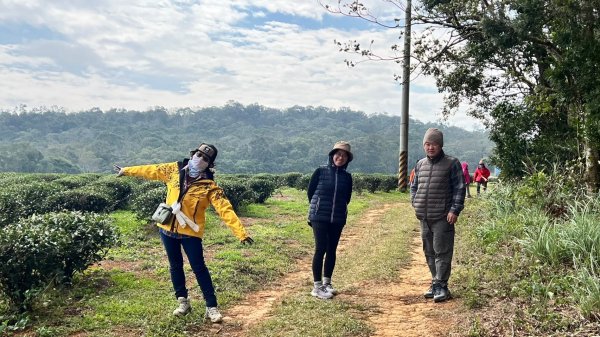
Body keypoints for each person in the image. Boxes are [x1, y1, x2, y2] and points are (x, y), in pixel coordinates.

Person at [114, 143, 254, 323]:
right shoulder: (173, 170)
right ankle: (183, 302)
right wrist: (126, 170)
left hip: (190, 234)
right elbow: (151, 170)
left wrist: (240, 233)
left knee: (199, 268)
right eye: (199, 154)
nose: (200, 159)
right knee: (175, 266)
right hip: (167, 230)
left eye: (205, 158)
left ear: (209, 164)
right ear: (193, 154)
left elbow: (225, 209)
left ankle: (211, 307)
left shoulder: (209, 186)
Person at [410, 128, 465, 303]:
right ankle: (435, 282)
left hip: (443, 216)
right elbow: (414, 186)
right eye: (427, 144)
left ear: (440, 145)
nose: (430, 147)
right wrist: (415, 202)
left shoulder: (451, 163)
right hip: (424, 217)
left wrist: (454, 209)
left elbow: (459, 188)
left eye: (433, 144)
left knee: (442, 251)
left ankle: (442, 285)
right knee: (429, 252)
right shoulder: (420, 164)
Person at [307, 141, 353, 299]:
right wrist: (318, 207)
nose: (340, 157)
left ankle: (327, 283)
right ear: (332, 155)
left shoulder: (347, 177)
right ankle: (317, 286)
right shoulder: (320, 171)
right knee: (320, 249)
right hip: (319, 216)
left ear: (347, 159)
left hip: (338, 217)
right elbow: (311, 192)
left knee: (332, 249)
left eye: (344, 155)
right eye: (338, 154)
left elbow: (347, 198)